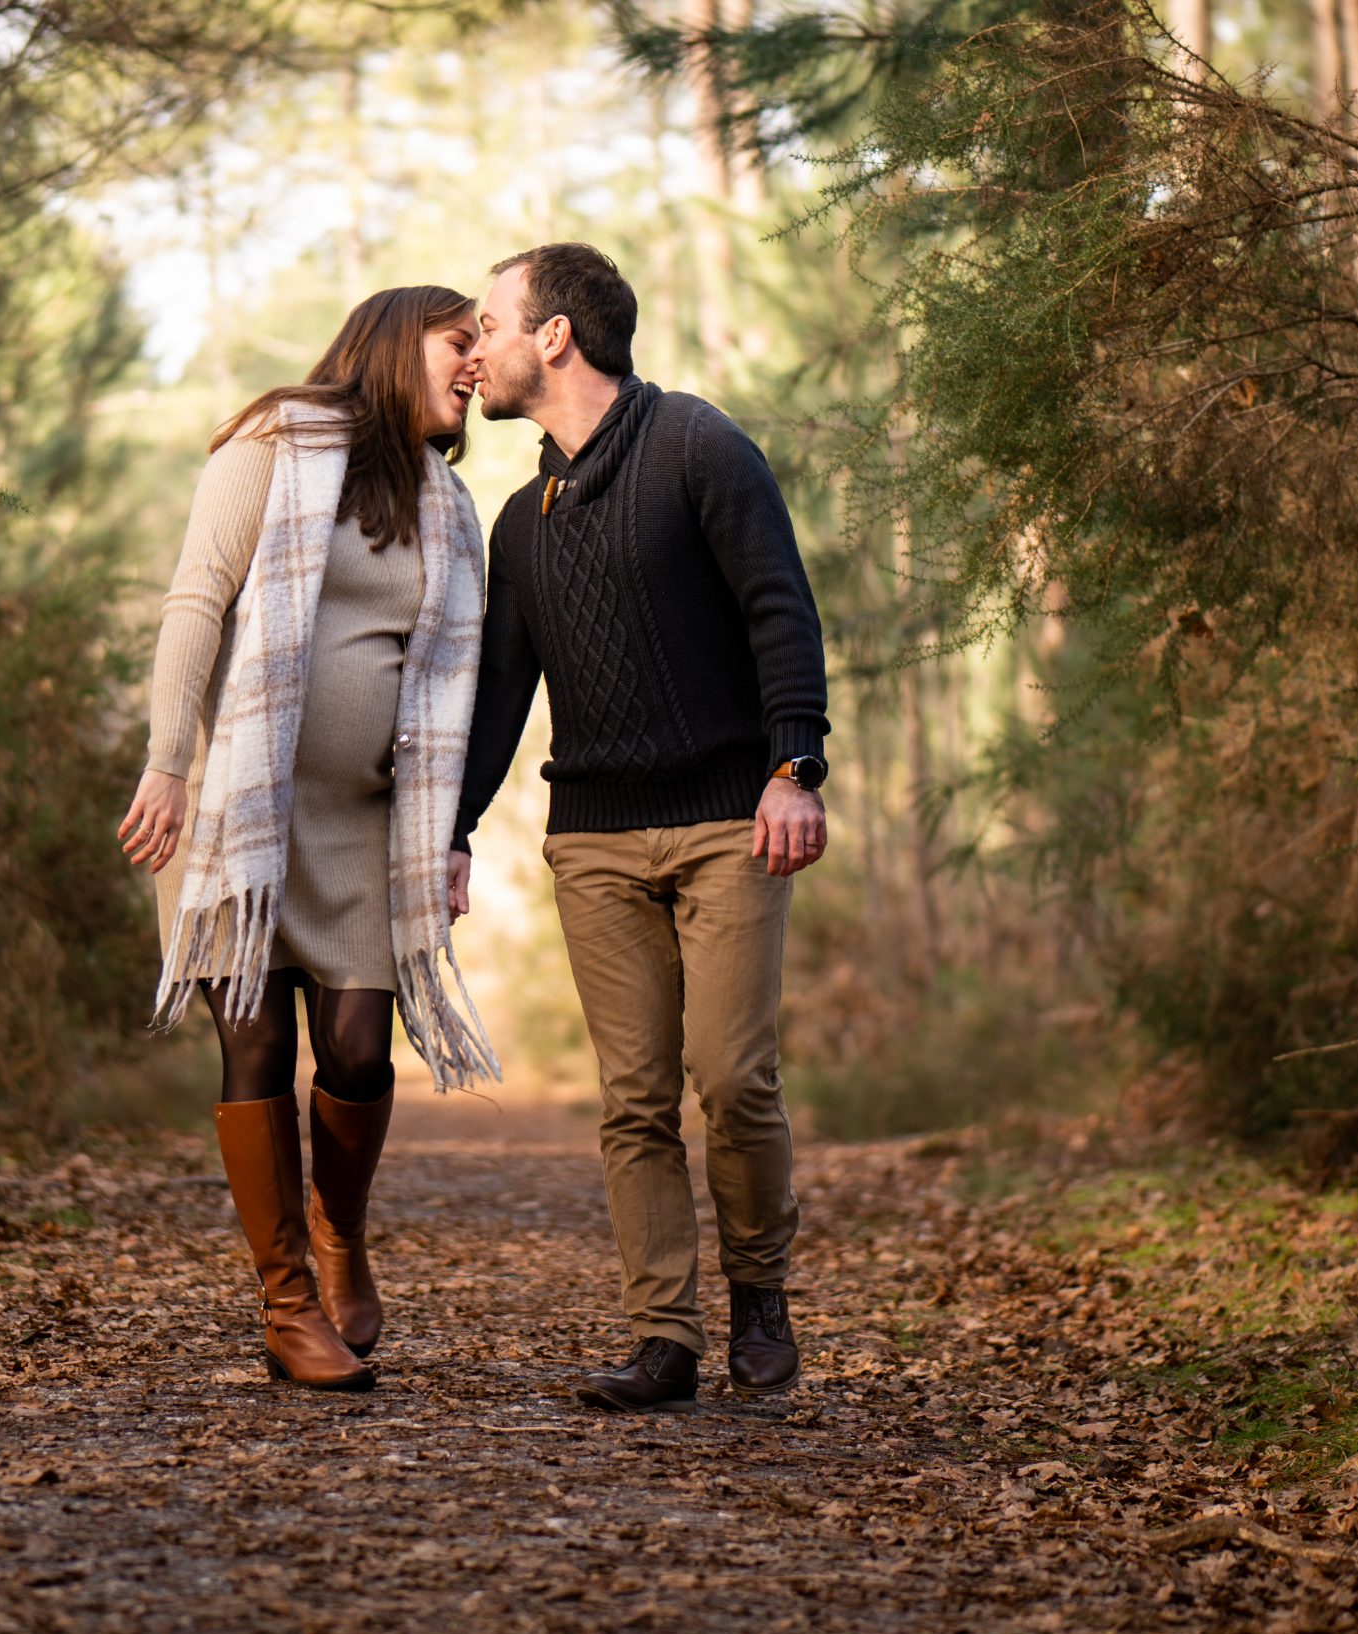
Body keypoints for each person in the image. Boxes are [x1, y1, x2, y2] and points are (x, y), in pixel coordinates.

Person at [450, 243, 830, 1413]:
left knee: (734, 1076)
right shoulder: (521, 524)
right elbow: (501, 693)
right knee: (632, 1098)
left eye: (489, 326)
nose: (474, 351)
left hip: (728, 820)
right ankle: (664, 1335)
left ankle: (759, 1293)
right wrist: (452, 831)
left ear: (554, 334)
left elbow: (778, 605)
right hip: (595, 841)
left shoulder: (696, 446)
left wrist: (795, 766)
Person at [119, 286, 501, 1395]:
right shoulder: (271, 442)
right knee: (254, 1050)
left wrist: (450, 830)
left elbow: (454, 674)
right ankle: (286, 1304)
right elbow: (196, 600)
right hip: (238, 814)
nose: (475, 362)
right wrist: (167, 760)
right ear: (394, 342)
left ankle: (339, 1230)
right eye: (459, 341)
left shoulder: (445, 502)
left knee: (359, 1050)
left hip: (366, 827)